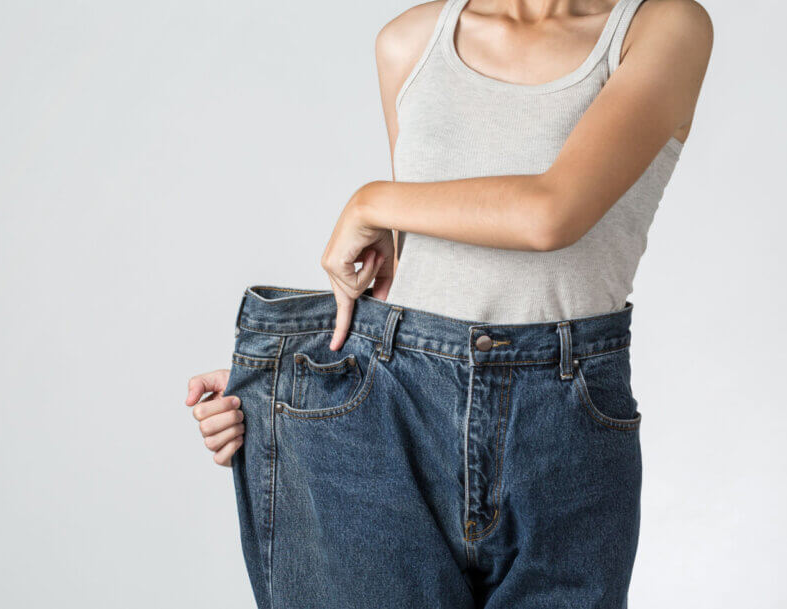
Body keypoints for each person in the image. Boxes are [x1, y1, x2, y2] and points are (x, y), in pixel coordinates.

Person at [185, 0, 712, 606]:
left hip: (565, 423)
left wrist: (369, 201)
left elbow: (551, 213)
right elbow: (414, 279)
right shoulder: (410, 42)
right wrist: (280, 388)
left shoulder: (660, 27)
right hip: (390, 411)